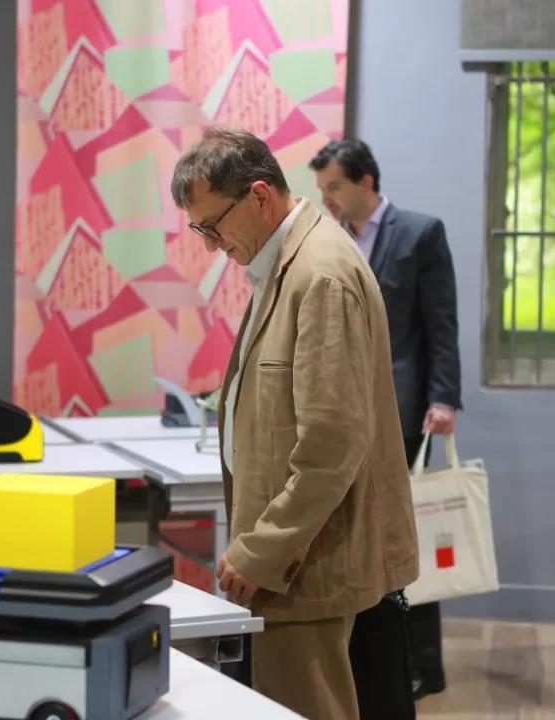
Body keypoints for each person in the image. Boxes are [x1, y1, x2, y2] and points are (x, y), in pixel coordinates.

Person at [170, 127, 420, 719]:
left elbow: (332, 445)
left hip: (307, 563)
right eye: (200, 231)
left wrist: (262, 550)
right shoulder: (286, 264)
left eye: (213, 226)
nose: (211, 246)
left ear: (259, 197)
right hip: (297, 559)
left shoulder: (319, 274)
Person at [311, 138, 462, 702]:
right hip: (346, 412)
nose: (327, 199)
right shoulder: (330, 240)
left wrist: (443, 399)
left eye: (334, 187)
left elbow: (441, 324)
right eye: (322, 189)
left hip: (404, 410)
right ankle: (371, 661)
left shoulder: (420, 233)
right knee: (361, 536)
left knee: (404, 537)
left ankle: (423, 665)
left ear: (366, 182)